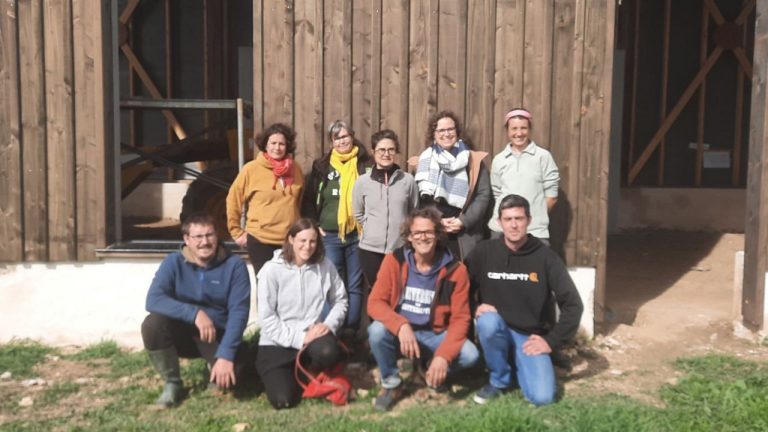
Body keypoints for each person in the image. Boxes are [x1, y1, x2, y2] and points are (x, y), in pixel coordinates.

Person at [466, 194, 583, 406]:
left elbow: (573, 304)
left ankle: (517, 364)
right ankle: (498, 380)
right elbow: (459, 288)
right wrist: (474, 307)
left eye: (519, 218)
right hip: (497, 329)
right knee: (488, 321)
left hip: (529, 337)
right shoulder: (484, 251)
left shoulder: (546, 257)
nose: (513, 225)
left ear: (528, 220)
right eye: (508, 219)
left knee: (543, 397)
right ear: (499, 222)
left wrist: (551, 341)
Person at [367, 207, 479, 411]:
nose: (423, 237)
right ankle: (392, 383)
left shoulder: (456, 270)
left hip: (434, 333)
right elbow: (374, 303)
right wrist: (401, 325)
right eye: (417, 233)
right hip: (402, 332)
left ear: (438, 235)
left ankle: (429, 368)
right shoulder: (394, 261)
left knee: (470, 355)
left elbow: (461, 320)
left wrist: (444, 356)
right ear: (409, 237)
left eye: (428, 232)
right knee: (376, 331)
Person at [141, 212, 251, 407]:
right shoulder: (173, 262)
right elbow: (153, 299)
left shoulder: (235, 266)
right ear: (186, 239)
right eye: (198, 237)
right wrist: (195, 314)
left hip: (217, 334)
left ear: (217, 236)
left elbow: (239, 313)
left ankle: (215, 371)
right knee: (153, 324)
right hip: (183, 333)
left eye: (209, 235)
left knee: (235, 380)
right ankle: (172, 383)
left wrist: (225, 355)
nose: (204, 242)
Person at [255, 218, 348, 409]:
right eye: (302, 241)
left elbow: (340, 300)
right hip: (277, 342)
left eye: (312, 241)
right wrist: (301, 337)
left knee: (329, 351)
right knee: (284, 400)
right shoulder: (271, 270)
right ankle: (286, 376)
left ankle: (309, 371)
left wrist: (328, 325)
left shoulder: (325, 265)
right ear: (291, 240)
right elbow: (267, 319)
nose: (308, 246)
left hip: (312, 340)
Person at [302, 120, 371, 333]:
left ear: (352, 136)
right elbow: (309, 198)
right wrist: (314, 224)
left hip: (357, 235)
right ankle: (334, 331)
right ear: (331, 142)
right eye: (337, 137)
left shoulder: (365, 164)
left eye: (345, 136)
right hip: (330, 236)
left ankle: (350, 331)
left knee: (355, 285)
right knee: (334, 283)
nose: (342, 141)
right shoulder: (321, 166)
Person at [412, 111, 492, 260]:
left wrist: (463, 221)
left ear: (457, 131)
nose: (446, 134)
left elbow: (483, 194)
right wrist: (437, 220)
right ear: (434, 134)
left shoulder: (473, 161)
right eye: (441, 130)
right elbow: (419, 199)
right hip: (434, 230)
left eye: (450, 129)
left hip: (466, 233)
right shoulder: (423, 162)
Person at [226, 123, 304, 274]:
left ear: (287, 146)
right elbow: (233, 199)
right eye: (273, 143)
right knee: (266, 287)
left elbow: (300, 201)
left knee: (289, 287)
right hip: (260, 240)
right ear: (265, 145)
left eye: (281, 144)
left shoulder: (295, 168)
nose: (277, 147)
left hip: (289, 241)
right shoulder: (251, 169)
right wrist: (236, 232)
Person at [352, 129, 419, 287]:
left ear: (396, 152)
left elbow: (413, 213)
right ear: (373, 152)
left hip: (399, 249)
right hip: (370, 250)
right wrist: (371, 228)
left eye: (391, 149)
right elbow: (358, 213)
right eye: (381, 149)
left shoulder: (408, 181)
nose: (386, 154)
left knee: (397, 293)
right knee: (376, 294)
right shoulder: (362, 182)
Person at [488, 108, 559, 244]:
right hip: (501, 231)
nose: (519, 133)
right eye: (514, 128)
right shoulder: (499, 159)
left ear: (530, 129)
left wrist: (532, 217)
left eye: (523, 128)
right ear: (507, 131)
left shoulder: (543, 157)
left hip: (534, 230)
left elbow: (552, 195)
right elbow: (497, 192)